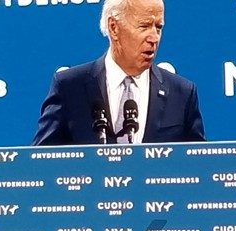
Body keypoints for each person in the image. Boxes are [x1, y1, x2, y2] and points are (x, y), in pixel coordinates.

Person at [32, 0, 205, 146]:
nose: (154, 38)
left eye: (158, 27)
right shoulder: (69, 87)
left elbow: (198, 167)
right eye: (144, 26)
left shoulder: (182, 94)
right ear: (114, 27)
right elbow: (41, 161)